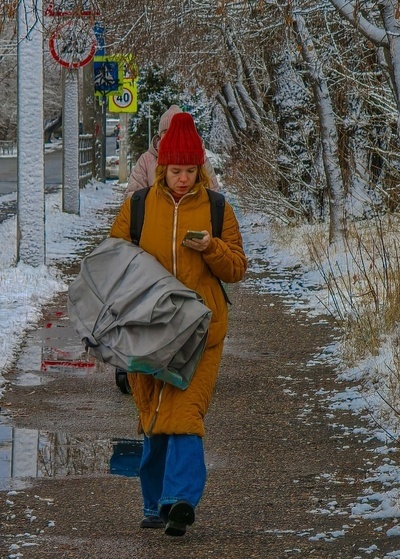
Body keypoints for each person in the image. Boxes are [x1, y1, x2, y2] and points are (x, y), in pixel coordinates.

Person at [109, 112, 247, 536]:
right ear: (161, 168)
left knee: (185, 413)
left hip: (201, 331)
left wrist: (212, 248)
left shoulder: (218, 208)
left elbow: (237, 268)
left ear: (200, 168)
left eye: (190, 170)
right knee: (153, 416)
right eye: (175, 170)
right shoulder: (136, 207)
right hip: (148, 329)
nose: (183, 179)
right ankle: (154, 504)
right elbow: (113, 258)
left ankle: (180, 501)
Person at [125, 104, 220, 197]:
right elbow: (134, 197)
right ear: (159, 135)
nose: (172, 136)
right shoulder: (147, 159)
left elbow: (212, 193)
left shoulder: (200, 159)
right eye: (166, 132)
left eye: (190, 170)